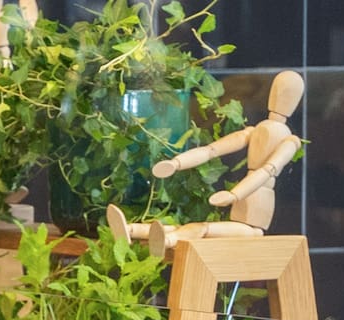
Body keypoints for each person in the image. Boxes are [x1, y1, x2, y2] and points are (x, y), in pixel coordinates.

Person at [106, 71, 303, 257]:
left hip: (252, 227)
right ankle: (131, 230)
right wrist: (176, 163)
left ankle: (165, 242)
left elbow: (268, 170)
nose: (278, 97)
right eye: (278, 90)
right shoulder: (256, 130)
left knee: (202, 229)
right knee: (188, 228)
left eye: (285, 93)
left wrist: (235, 194)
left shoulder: (290, 142)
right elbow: (211, 150)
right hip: (240, 212)